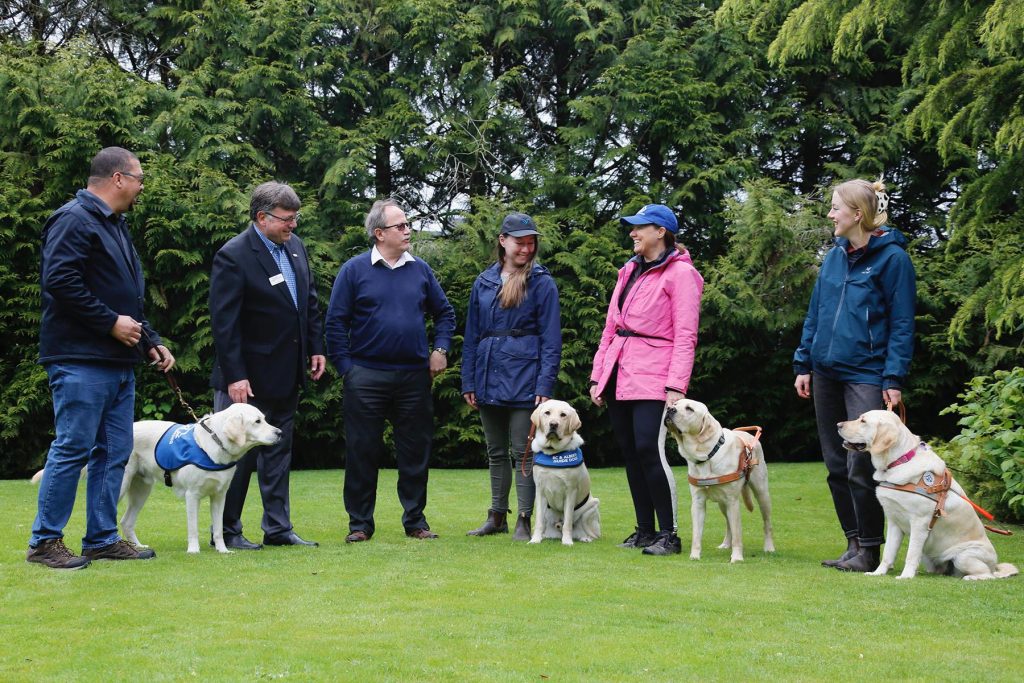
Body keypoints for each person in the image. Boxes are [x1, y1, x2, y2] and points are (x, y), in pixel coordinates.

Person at [28, 146, 176, 570]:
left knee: (114, 451)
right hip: (80, 358)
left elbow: (125, 295)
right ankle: (44, 542)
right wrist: (110, 323)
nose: (141, 186)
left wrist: (150, 339)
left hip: (117, 361)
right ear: (117, 178)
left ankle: (101, 538)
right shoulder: (73, 219)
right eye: (139, 178)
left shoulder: (116, 225)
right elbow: (59, 280)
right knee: (73, 446)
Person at [793, 178, 916, 572]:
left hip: (866, 372)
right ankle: (852, 544)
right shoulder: (833, 257)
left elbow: (901, 324)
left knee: (861, 464)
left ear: (857, 214)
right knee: (835, 463)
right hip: (825, 371)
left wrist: (893, 378)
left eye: (835, 208)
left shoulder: (893, 259)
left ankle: (870, 549)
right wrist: (804, 363)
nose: (830, 215)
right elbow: (816, 313)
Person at [325, 198, 456, 542]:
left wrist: (440, 350)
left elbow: (445, 313)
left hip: (413, 375)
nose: (408, 229)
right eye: (401, 225)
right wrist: (346, 369)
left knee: (415, 450)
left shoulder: (420, 270)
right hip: (365, 375)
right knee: (361, 450)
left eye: (408, 224)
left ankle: (415, 521)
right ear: (379, 233)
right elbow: (335, 322)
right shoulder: (354, 270)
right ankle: (359, 524)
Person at [209, 181, 326, 550]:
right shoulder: (234, 254)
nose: (293, 226)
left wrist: (315, 347)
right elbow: (224, 323)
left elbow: (307, 304)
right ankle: (226, 532)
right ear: (262, 217)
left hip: (286, 374)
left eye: (296, 218)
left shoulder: (295, 249)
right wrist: (235, 376)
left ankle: (278, 528)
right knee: (234, 459)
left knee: (277, 454)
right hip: (245, 381)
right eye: (286, 219)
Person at [589, 204, 704, 557]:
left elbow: (686, 335)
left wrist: (676, 387)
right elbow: (611, 326)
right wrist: (598, 376)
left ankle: (669, 534)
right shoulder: (629, 270)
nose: (633, 233)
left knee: (648, 450)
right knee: (630, 452)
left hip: (655, 375)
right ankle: (644, 530)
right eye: (633, 227)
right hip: (619, 372)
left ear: (662, 232)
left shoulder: (681, 275)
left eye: (641, 227)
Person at [461, 213, 562, 541]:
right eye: (520, 242)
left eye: (531, 242)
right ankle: (496, 516)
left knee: (523, 451)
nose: (526, 248)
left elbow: (551, 339)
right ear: (502, 241)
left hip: (525, 377)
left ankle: (524, 518)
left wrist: (544, 385)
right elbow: (472, 334)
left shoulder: (542, 282)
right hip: (488, 374)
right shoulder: (484, 281)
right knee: (494, 451)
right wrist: (469, 381)